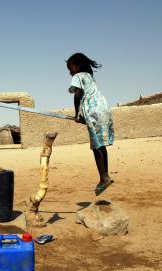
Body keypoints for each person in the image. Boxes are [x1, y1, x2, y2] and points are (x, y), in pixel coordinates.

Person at [66, 52, 114, 196]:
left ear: (78, 66)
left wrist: (76, 114)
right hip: (103, 108)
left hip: (93, 111)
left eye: (70, 68)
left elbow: (78, 94)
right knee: (101, 144)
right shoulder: (89, 77)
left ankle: (104, 178)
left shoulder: (78, 76)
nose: (70, 72)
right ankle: (106, 175)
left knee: (96, 146)